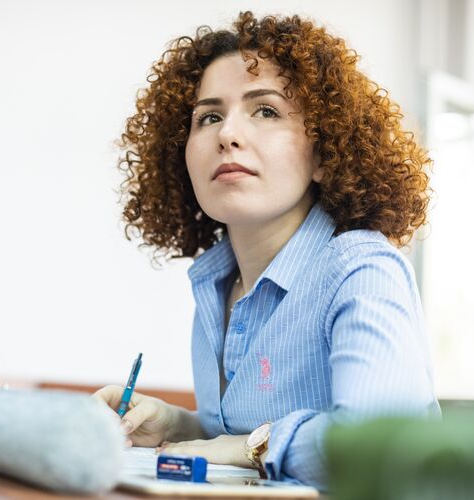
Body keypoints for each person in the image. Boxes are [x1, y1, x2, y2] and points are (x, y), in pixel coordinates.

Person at [94, 11, 440, 489]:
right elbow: (238, 435)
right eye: (209, 117)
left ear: (323, 154)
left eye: (266, 111)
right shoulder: (217, 285)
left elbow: (376, 450)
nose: (227, 134)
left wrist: (249, 447)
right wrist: (179, 426)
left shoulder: (362, 269)